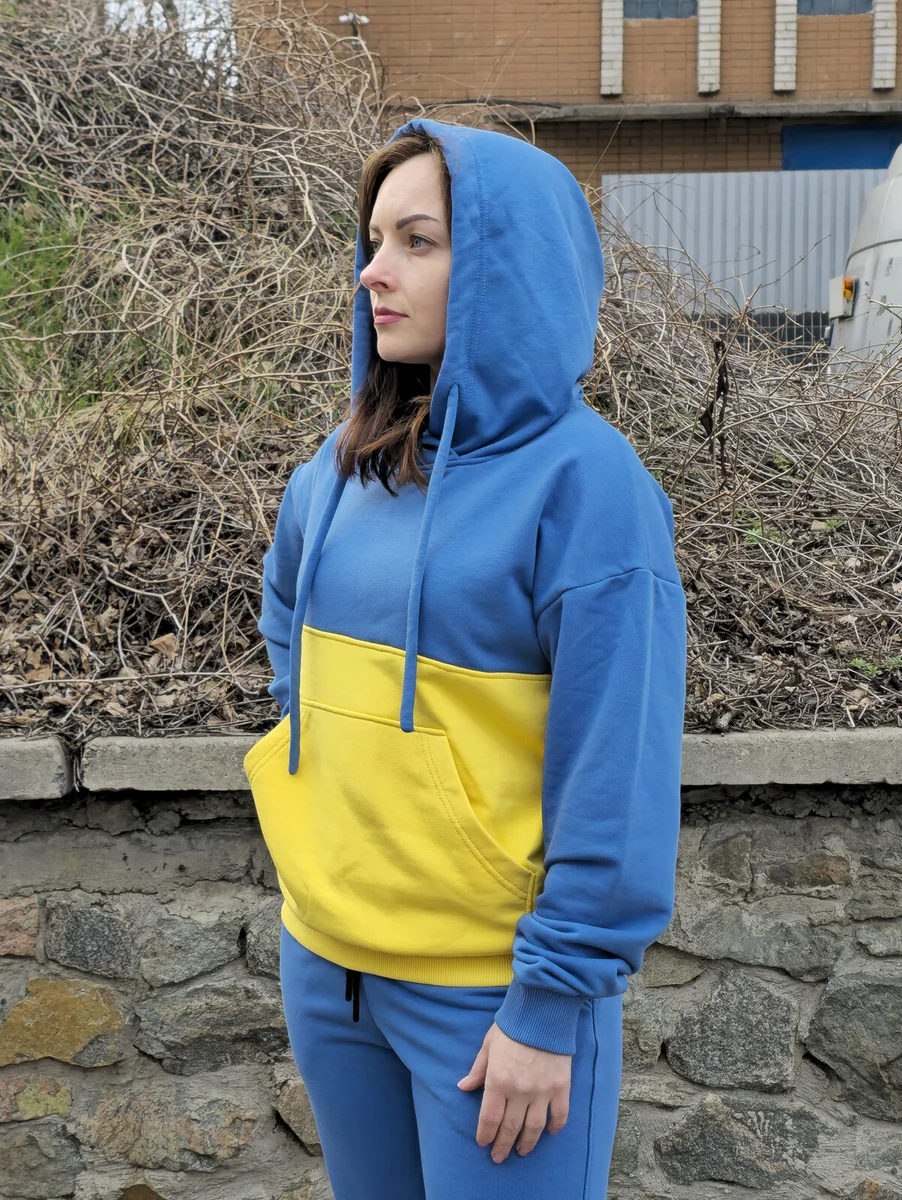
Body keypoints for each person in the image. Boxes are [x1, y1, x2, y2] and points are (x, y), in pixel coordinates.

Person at [244, 118, 687, 1200]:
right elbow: (286, 624)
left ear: (504, 263)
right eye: (373, 241)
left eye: (418, 241)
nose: (373, 272)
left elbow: (616, 764)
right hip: (329, 966)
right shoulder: (339, 469)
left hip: (492, 999)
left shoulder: (587, 483)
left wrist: (550, 1005)